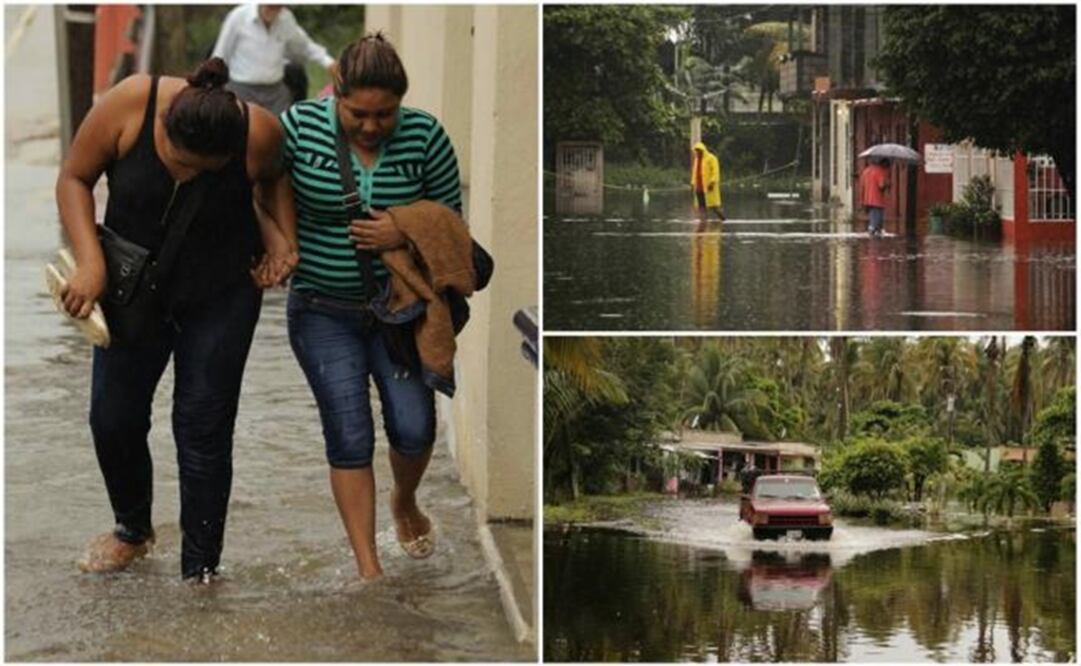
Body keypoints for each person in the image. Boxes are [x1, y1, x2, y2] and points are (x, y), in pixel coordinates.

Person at [56, 58, 298, 581]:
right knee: (112, 419)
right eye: (177, 163)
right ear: (163, 125)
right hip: (131, 288)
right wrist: (90, 263)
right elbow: (74, 178)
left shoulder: (258, 131)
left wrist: (285, 240)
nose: (185, 176)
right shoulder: (129, 105)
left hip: (221, 293)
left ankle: (201, 570)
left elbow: (276, 180)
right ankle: (132, 530)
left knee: (204, 428)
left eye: (201, 172)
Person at [280, 33, 462, 579]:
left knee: (414, 429)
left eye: (385, 114)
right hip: (320, 308)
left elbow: (452, 229)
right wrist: (275, 247)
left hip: (398, 312)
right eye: (358, 112)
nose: (371, 125)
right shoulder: (297, 129)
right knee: (349, 433)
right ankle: (369, 570)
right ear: (336, 93)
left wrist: (401, 226)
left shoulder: (427, 137)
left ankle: (404, 501)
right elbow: (264, 191)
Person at [212, 4, 337, 115]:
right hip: (241, 91)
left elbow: (304, 46)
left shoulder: (286, 19)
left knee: (284, 132)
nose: (273, 9)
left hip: (275, 92)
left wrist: (328, 62)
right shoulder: (238, 17)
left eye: (277, 6)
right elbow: (219, 56)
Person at [691, 141, 725, 223]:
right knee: (701, 206)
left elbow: (715, 172)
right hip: (699, 187)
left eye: (699, 150)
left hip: (709, 186)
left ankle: (723, 219)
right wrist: (693, 183)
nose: (698, 152)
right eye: (696, 150)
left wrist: (712, 182)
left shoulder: (711, 158)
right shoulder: (697, 159)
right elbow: (695, 172)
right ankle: (703, 222)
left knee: (714, 206)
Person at [859, 157, 891, 236]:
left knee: (872, 219)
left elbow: (862, 186)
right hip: (877, 200)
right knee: (877, 222)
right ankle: (874, 239)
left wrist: (862, 200)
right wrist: (887, 185)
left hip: (867, 199)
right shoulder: (880, 171)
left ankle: (873, 232)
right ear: (883, 164)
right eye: (887, 166)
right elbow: (881, 186)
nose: (887, 168)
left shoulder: (866, 171)